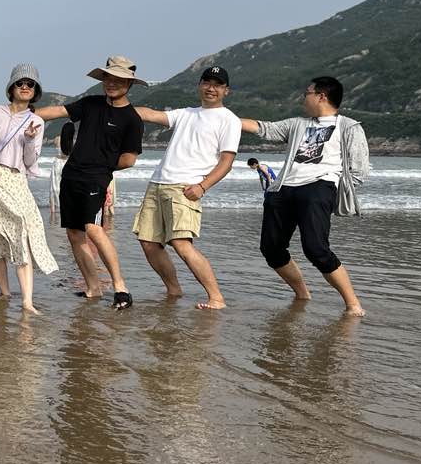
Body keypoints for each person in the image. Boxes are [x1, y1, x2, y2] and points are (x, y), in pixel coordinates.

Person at [239, 76, 369, 316]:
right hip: (283, 188)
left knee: (316, 249)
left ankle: (353, 304)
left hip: (319, 188)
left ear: (321, 96)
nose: (303, 97)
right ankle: (302, 294)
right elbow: (265, 128)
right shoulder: (297, 124)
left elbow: (359, 170)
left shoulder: (349, 127)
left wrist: (331, 191)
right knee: (271, 249)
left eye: (307, 93)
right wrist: (226, 120)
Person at [33, 56, 145, 310]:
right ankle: (93, 287)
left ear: (129, 84)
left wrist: (101, 166)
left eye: (119, 80)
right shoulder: (91, 103)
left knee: (93, 229)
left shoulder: (132, 119)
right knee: (74, 233)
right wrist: (20, 114)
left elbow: (129, 159)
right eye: (108, 78)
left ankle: (120, 287)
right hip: (71, 175)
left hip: (96, 179)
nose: (112, 83)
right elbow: (58, 112)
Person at [131, 64, 241, 310]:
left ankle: (216, 298)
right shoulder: (186, 113)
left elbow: (226, 162)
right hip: (157, 183)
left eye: (218, 85)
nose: (211, 88)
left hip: (185, 187)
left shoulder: (229, 120)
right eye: (207, 82)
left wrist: (202, 186)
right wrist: (119, 107)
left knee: (181, 244)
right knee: (148, 242)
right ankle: (173, 289)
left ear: (226, 90)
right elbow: (151, 114)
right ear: (200, 85)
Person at [0, 64, 59, 312]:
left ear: (35, 90)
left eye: (30, 84)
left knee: (22, 230)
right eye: (20, 83)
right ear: (11, 87)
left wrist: (30, 140)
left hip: (16, 180)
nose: (25, 87)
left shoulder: (36, 121)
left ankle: (27, 301)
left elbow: (30, 161)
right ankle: (4, 293)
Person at [48, 123, 72, 223]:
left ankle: (53, 211)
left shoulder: (57, 139)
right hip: (66, 164)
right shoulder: (71, 142)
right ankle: (64, 208)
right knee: (66, 187)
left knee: (54, 186)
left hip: (57, 163)